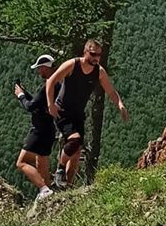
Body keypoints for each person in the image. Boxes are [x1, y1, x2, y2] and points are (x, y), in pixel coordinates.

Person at [45, 39, 128, 188]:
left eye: (99, 55)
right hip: (62, 112)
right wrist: (51, 104)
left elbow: (111, 91)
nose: (96, 58)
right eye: (93, 54)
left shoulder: (99, 72)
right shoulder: (72, 65)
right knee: (74, 140)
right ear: (85, 52)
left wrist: (120, 104)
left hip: (78, 114)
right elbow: (51, 81)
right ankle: (60, 169)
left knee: (76, 153)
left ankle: (66, 186)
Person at [14, 54, 58, 201]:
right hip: (50, 129)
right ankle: (49, 191)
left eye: (40, 69)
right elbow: (39, 103)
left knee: (21, 162)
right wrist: (26, 93)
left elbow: (31, 106)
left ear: (45, 68)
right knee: (42, 161)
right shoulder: (57, 84)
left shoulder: (47, 86)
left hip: (40, 130)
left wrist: (21, 96)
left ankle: (43, 189)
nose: (39, 72)